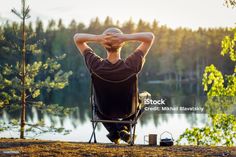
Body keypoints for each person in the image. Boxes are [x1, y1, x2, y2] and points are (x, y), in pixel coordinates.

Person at [74, 27, 155, 144]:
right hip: (129, 111)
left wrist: (98, 38)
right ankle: (123, 128)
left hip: (104, 111)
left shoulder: (95, 65)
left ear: (104, 45)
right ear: (122, 44)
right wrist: (125, 37)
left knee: (93, 100)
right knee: (146, 96)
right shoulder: (132, 65)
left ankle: (114, 132)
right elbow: (150, 37)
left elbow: (77, 38)